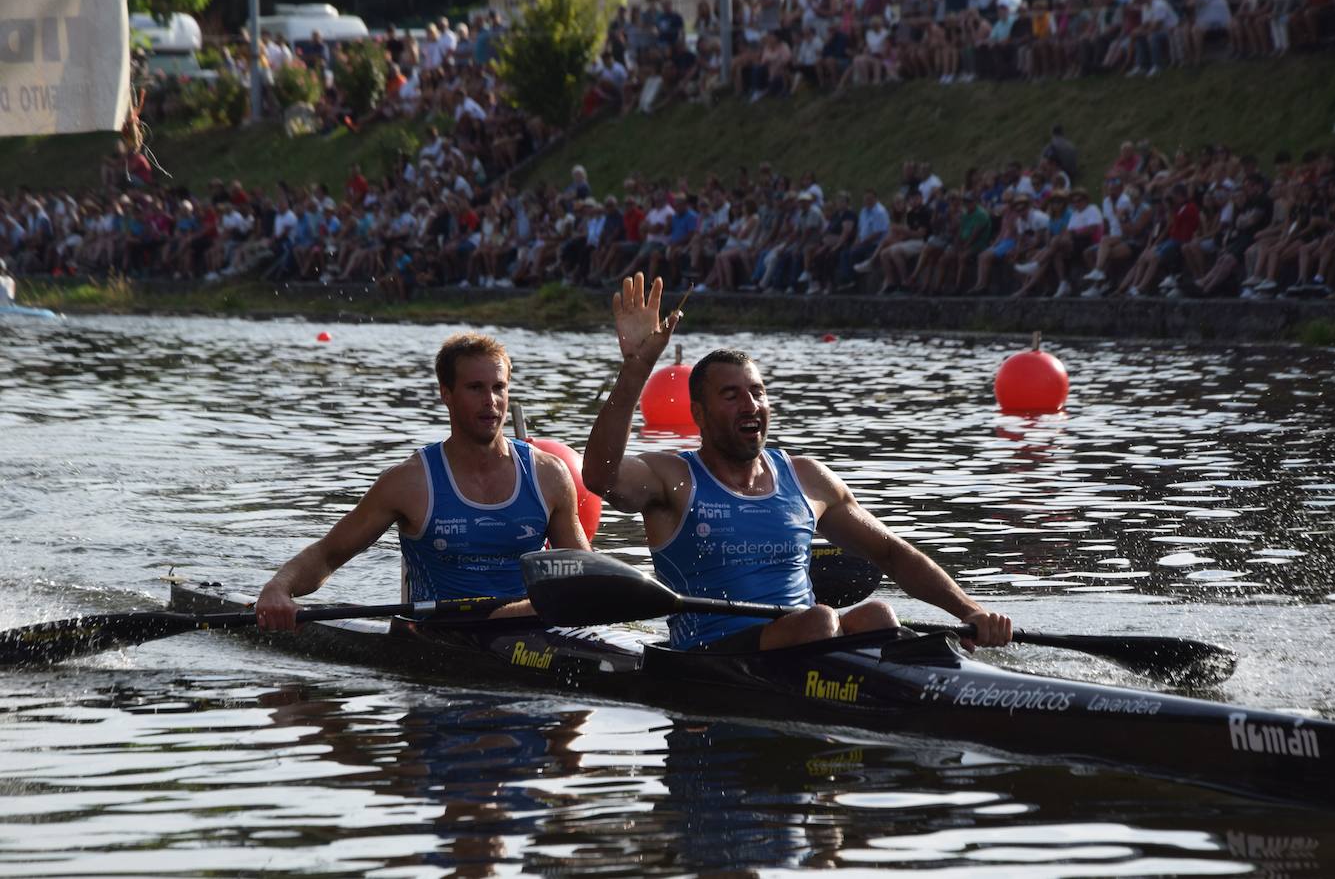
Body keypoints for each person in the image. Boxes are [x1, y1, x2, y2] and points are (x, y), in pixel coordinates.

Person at [581, 273, 1013, 653]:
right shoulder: (673, 477)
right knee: (822, 620)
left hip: (807, 644)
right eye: (731, 396)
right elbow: (600, 476)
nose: (751, 405)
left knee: (878, 615)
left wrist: (971, 611)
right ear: (698, 413)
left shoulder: (806, 478)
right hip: (712, 655)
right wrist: (637, 369)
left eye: (758, 392)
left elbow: (892, 554)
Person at [255, 333, 590, 630]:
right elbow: (328, 555)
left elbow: (585, 575)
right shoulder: (409, 482)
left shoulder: (550, 475)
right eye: (476, 388)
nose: (491, 401)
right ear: (446, 393)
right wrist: (278, 588)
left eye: (498, 388)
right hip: (442, 634)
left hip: (530, 626)